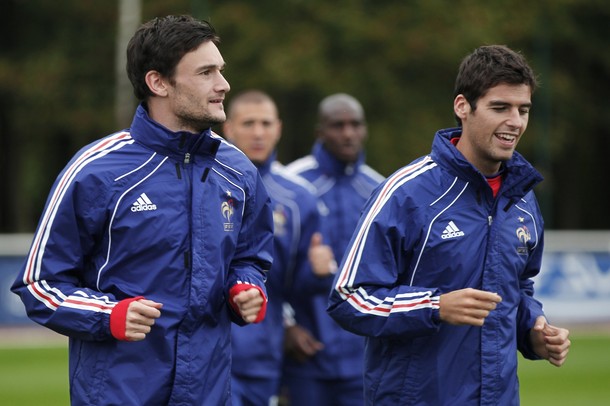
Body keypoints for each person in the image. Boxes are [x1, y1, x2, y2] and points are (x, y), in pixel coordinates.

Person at [11, 15, 274, 405]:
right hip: (118, 392)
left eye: (220, 70)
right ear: (158, 83)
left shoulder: (239, 172)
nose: (223, 84)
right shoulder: (96, 171)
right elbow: (38, 285)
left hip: (208, 391)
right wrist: (108, 315)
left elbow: (250, 258)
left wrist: (246, 287)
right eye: (206, 73)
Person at [327, 45, 571, 405]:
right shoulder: (406, 194)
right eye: (500, 108)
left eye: (523, 110)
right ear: (462, 107)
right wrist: (434, 306)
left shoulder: (522, 200)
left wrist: (534, 330)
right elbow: (348, 298)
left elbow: (518, 288)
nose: (515, 122)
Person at [223, 90, 330, 406]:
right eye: (248, 123)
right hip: (206, 348)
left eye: (266, 123)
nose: (258, 133)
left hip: (261, 353)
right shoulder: (205, 182)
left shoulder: (299, 198)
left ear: (278, 128)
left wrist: (319, 273)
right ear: (228, 128)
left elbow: (297, 288)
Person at [283, 93, 385, 406]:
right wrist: (285, 325)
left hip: (361, 358)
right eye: (338, 125)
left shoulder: (380, 189)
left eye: (355, 124)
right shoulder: (292, 185)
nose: (348, 133)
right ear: (320, 132)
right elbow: (269, 264)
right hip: (306, 354)